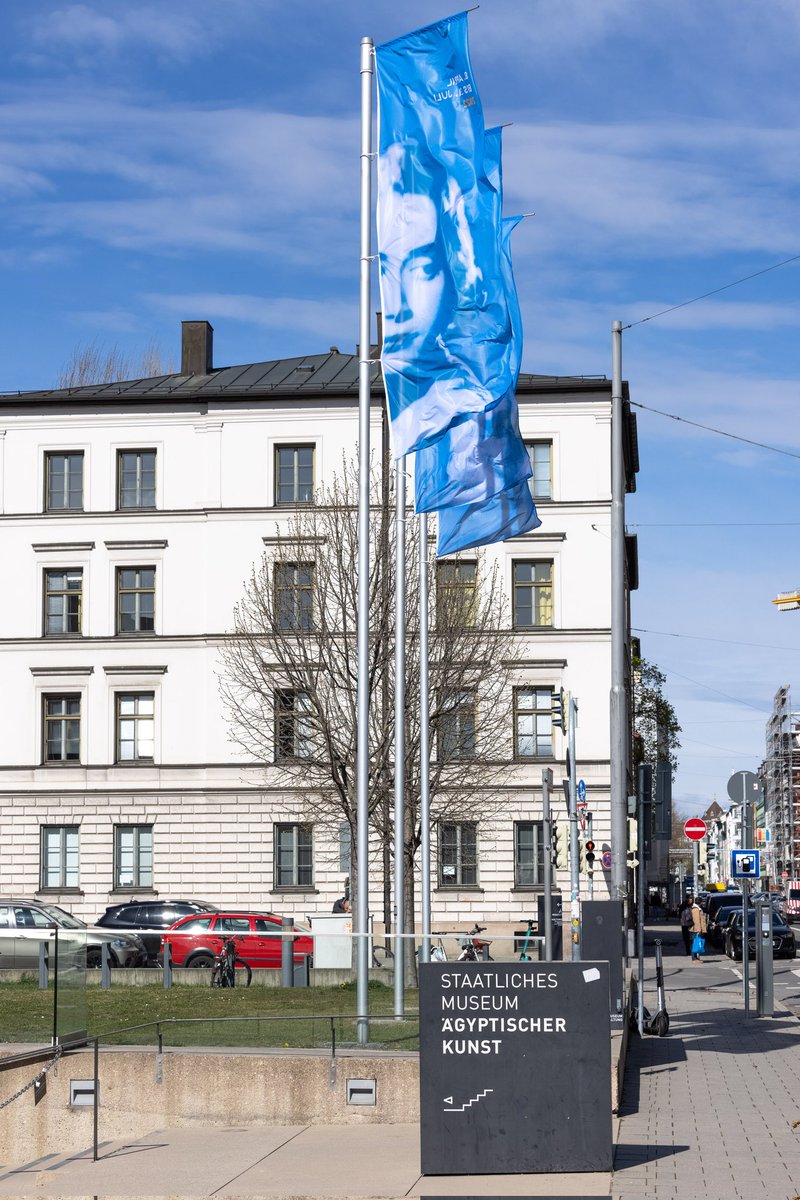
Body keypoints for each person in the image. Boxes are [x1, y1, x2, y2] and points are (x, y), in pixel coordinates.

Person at [690, 897, 707, 961]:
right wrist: (699, 930)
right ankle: (694, 958)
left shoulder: (697, 909)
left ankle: (696, 957)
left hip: (696, 929)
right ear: (700, 902)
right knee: (696, 943)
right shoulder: (696, 909)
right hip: (696, 930)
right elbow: (697, 921)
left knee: (696, 943)